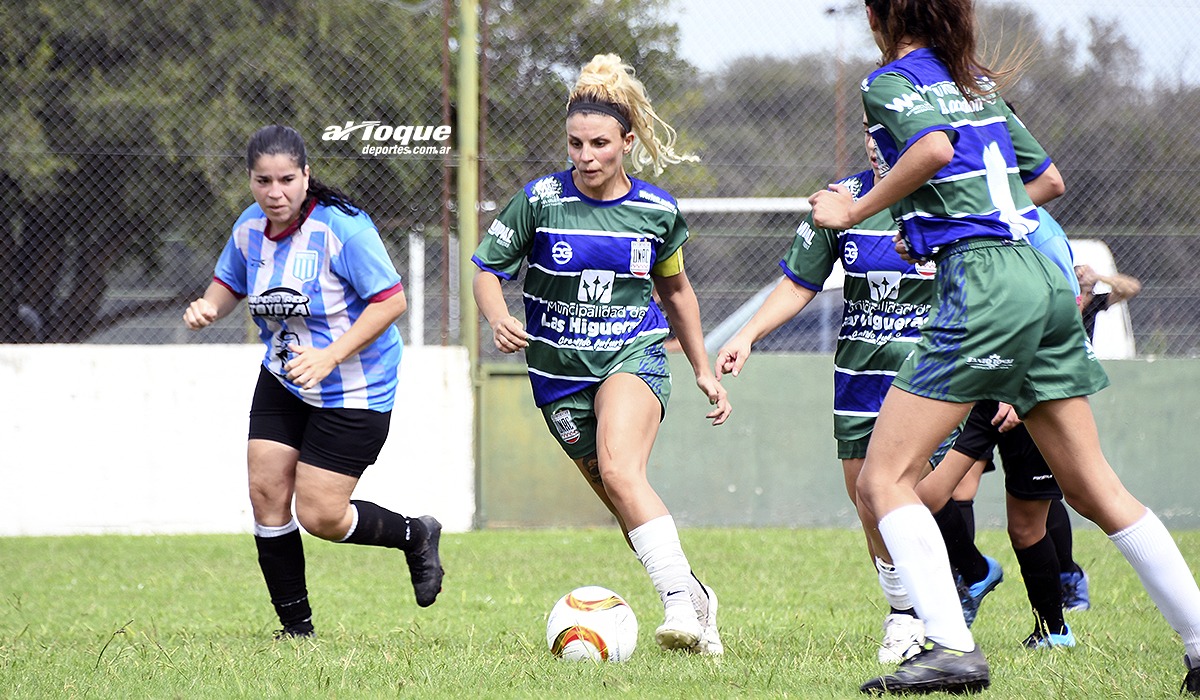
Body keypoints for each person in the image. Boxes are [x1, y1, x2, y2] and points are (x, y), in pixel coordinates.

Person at [808, 1, 1200, 694]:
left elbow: (929, 151)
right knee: (1093, 487)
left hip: (985, 285)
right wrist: (937, 222)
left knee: (881, 479)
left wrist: (855, 210)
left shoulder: (889, 81)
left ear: (878, 12)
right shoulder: (973, 82)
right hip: (1044, 279)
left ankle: (952, 648)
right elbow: (1047, 181)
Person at [471, 54, 731, 656]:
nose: (585, 157)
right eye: (575, 144)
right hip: (558, 379)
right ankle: (696, 596)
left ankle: (677, 611)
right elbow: (487, 269)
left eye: (599, 144)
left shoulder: (656, 211)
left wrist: (700, 368)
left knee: (621, 470)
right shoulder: (538, 201)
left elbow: (676, 292)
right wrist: (499, 315)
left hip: (631, 357)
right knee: (623, 502)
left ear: (627, 141)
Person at [183, 125, 444, 639]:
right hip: (285, 378)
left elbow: (391, 302)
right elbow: (230, 282)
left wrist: (328, 357)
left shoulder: (342, 228)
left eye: (286, 180)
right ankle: (295, 630)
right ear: (251, 181)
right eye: (263, 181)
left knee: (321, 515)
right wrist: (209, 306)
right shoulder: (249, 229)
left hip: (355, 386)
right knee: (265, 491)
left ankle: (415, 535)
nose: (274, 193)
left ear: (306, 175)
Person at [715, 115, 956, 665]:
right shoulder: (841, 202)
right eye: (871, 127)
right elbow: (800, 281)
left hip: (929, 377)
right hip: (858, 377)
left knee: (908, 494)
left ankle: (924, 616)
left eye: (891, 126)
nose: (877, 138)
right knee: (868, 500)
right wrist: (748, 334)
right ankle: (905, 611)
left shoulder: (949, 199)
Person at [1076, 263, 1142, 342]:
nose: (1085, 276)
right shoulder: (1067, 298)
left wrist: (1098, 277)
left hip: (1085, 349)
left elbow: (1133, 288)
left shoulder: (1095, 301)